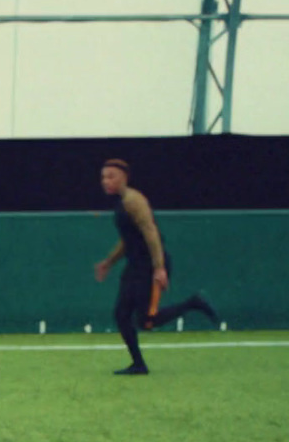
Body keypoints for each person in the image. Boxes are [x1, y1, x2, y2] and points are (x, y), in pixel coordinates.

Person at [92, 158, 218, 375]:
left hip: (149, 267)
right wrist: (109, 262)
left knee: (147, 321)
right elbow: (128, 240)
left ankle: (193, 303)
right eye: (103, 177)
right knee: (121, 315)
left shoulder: (134, 200)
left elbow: (151, 233)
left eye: (111, 176)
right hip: (134, 267)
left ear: (124, 177)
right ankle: (138, 364)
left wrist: (159, 268)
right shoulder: (121, 203)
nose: (106, 181)